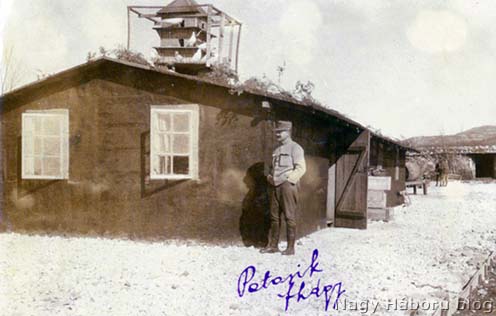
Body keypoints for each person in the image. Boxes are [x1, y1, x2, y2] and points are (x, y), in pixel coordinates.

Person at [260, 121, 306, 256]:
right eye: (276, 132)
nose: (278, 134)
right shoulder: (276, 150)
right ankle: (273, 246)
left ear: (288, 132)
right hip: (274, 185)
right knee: (274, 217)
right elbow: (269, 168)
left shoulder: (295, 148)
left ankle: (290, 248)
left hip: (287, 185)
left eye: (280, 132)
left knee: (289, 217)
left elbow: (301, 168)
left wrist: (289, 180)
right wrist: (269, 177)